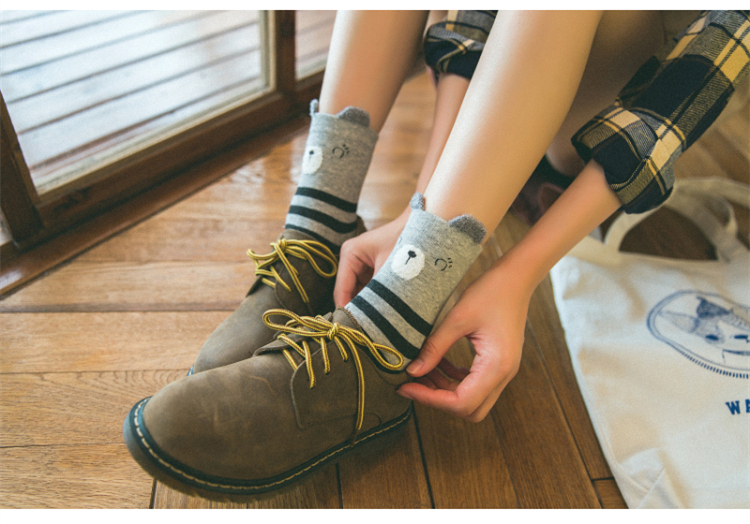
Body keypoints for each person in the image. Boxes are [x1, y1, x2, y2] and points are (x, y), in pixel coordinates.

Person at [123, 10, 750, 501]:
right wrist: (417, 210)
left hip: (603, 131)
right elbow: (472, 23)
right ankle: (320, 226)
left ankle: (384, 338)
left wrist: (517, 274)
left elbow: (674, 105)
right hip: (497, 107)